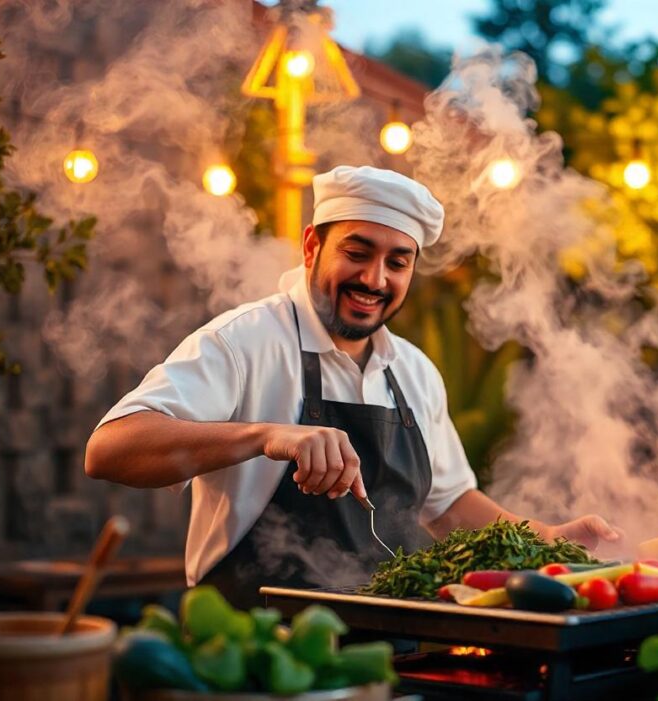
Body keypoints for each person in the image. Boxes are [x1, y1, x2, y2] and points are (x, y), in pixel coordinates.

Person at [85, 165, 620, 608]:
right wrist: (267, 437)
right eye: (357, 253)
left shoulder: (413, 371)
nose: (375, 280)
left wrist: (544, 537)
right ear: (312, 246)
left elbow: (450, 503)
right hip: (259, 649)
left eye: (397, 262)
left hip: (395, 643)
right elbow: (108, 450)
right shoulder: (243, 342)